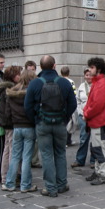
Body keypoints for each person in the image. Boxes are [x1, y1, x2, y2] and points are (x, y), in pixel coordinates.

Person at [24, 55, 77, 197]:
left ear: (40, 67)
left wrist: (36, 119)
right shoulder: (65, 83)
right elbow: (73, 104)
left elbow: (27, 106)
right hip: (60, 124)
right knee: (60, 153)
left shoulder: (35, 83)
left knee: (46, 155)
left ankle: (50, 187)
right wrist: (64, 118)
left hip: (42, 124)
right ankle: (61, 184)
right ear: (55, 65)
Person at [2, 70, 38, 192]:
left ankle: (9, 183)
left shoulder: (12, 92)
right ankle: (25, 185)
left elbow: (7, 113)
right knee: (27, 157)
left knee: (15, 156)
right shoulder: (32, 92)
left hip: (16, 127)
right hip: (29, 126)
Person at [82, 58, 105, 185]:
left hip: (98, 121)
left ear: (98, 69)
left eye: (92, 67)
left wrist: (86, 113)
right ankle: (98, 171)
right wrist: (86, 112)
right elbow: (93, 103)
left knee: (99, 148)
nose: (89, 69)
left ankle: (103, 174)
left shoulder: (101, 84)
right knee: (96, 148)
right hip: (96, 121)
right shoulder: (98, 83)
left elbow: (97, 105)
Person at [0, 66, 23, 184]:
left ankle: (5, 176)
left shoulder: (4, 88)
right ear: (13, 76)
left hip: (6, 122)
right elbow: (8, 109)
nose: (20, 76)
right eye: (18, 74)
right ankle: (11, 177)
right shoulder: (10, 89)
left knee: (7, 149)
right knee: (12, 150)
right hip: (11, 123)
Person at [70, 68, 95, 169]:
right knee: (83, 138)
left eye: (90, 75)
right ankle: (80, 159)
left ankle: (93, 160)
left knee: (94, 139)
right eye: (87, 75)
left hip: (93, 116)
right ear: (84, 76)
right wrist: (80, 112)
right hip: (83, 116)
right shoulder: (81, 86)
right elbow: (78, 101)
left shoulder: (96, 86)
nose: (89, 77)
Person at [24, 60, 42, 168]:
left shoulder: (38, 81)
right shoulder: (22, 82)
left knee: (35, 140)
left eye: (33, 70)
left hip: (35, 115)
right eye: (29, 70)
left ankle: (34, 160)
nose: (31, 72)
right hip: (26, 117)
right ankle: (28, 160)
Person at [61, 66, 77, 147]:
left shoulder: (60, 81)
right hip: (69, 105)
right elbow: (74, 94)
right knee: (70, 123)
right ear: (68, 73)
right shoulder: (71, 82)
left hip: (62, 105)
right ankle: (68, 140)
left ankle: (66, 141)